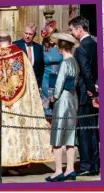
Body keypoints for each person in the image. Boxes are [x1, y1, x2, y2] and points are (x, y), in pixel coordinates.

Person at [0, 32, 54, 175]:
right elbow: (27, 79)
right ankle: (16, 161)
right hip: (17, 102)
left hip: (0, 103)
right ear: (10, 42)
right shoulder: (19, 55)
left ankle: (2, 163)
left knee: (3, 132)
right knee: (16, 132)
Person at [46, 32, 80, 182]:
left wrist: (53, 97)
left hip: (63, 100)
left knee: (58, 135)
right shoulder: (74, 61)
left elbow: (59, 84)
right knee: (70, 135)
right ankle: (71, 169)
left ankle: (59, 170)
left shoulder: (65, 63)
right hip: (73, 99)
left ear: (61, 48)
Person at [69, 16, 99, 176]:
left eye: (72, 30)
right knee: (93, 129)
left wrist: (91, 91)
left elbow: (86, 72)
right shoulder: (96, 44)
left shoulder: (81, 48)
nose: (72, 33)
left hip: (85, 94)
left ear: (80, 29)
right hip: (95, 92)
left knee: (85, 130)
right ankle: (95, 163)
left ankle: (87, 165)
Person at [40, 20, 63, 118]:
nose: (52, 38)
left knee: (59, 110)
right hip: (46, 80)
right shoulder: (42, 48)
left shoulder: (61, 48)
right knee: (48, 111)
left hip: (59, 79)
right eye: (50, 35)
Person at [13, 23, 45, 89]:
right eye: (26, 33)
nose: (27, 36)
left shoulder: (39, 48)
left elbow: (41, 68)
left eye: (30, 34)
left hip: (35, 84)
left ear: (34, 35)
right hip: (20, 83)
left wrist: (40, 85)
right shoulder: (15, 46)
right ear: (23, 33)